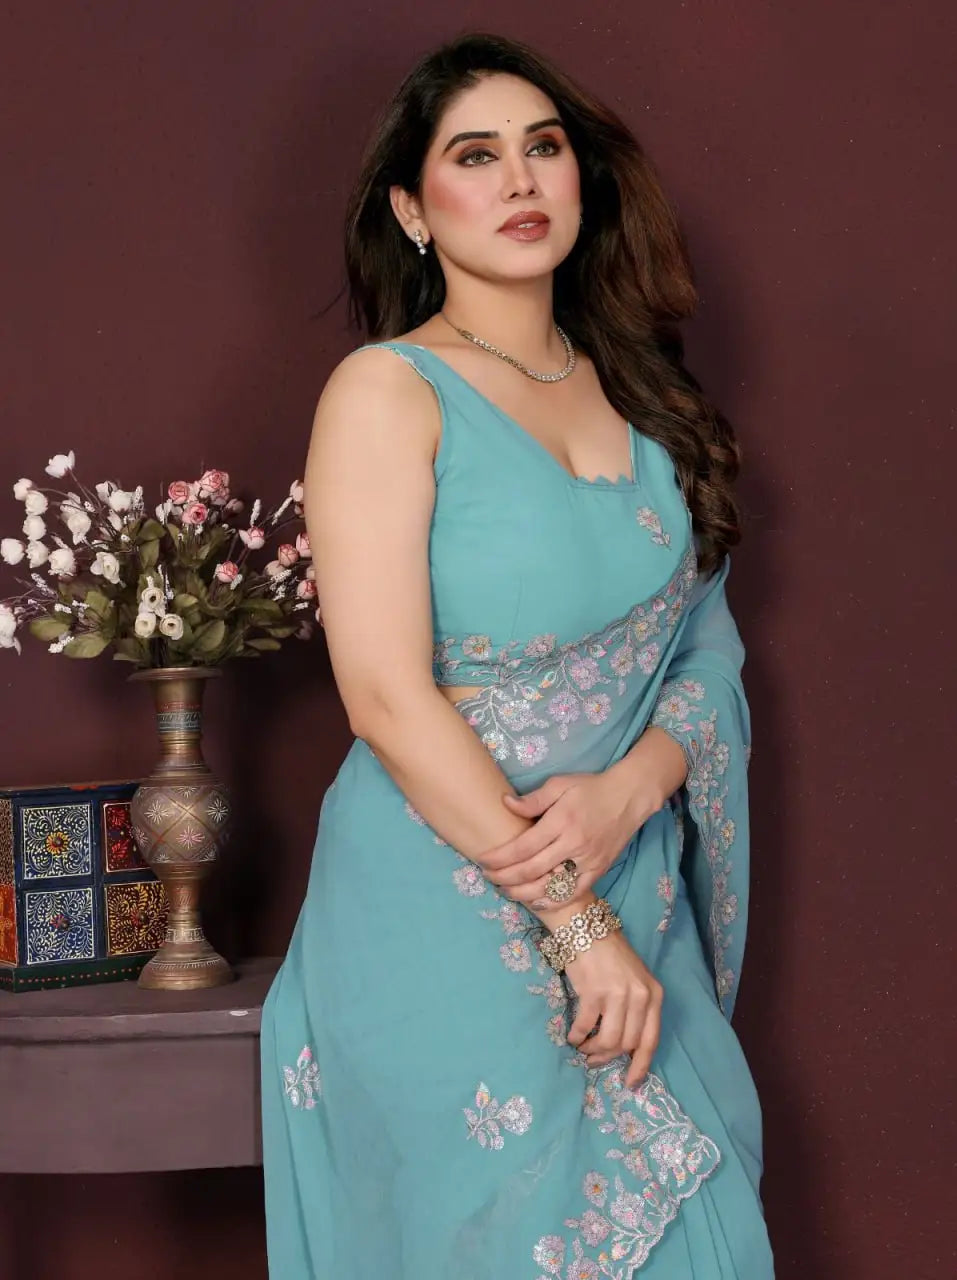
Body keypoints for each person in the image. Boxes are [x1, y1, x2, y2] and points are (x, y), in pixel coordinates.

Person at [259, 30, 774, 1279]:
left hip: (634, 886)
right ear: (411, 209)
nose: (521, 179)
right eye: (476, 156)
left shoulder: (643, 390)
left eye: (542, 148)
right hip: (443, 910)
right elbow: (385, 694)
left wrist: (633, 788)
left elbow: (707, 646)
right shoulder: (387, 393)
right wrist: (576, 920)